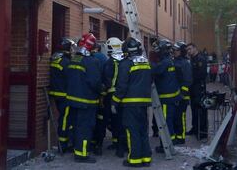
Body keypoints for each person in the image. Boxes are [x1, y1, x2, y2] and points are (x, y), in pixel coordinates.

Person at [112, 37, 152, 167]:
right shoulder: (146, 62)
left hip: (130, 104)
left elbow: (122, 85)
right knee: (142, 130)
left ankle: (134, 159)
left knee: (132, 130)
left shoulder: (125, 63)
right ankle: (146, 158)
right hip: (144, 103)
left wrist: (115, 101)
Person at [65, 33, 103, 163]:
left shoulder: (74, 59)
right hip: (86, 102)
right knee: (85, 128)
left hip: (72, 100)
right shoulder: (92, 61)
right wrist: (102, 89)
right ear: (92, 47)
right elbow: (94, 82)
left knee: (75, 126)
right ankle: (82, 154)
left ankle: (76, 148)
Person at [151, 39, 181, 152]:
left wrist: (147, 63)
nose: (156, 51)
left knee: (165, 123)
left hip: (166, 99)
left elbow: (156, 70)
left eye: (158, 49)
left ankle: (166, 146)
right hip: (171, 98)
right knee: (168, 121)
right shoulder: (169, 60)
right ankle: (169, 143)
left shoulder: (165, 62)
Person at [48, 37, 76, 152]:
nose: (72, 50)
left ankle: (63, 142)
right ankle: (63, 144)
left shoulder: (55, 59)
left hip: (56, 94)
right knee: (65, 119)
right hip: (65, 95)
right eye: (71, 47)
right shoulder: (66, 62)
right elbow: (71, 78)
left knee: (64, 118)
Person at [186, 43, 208, 139]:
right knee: (194, 109)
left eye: (190, 49)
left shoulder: (200, 59)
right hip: (192, 88)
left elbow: (202, 74)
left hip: (199, 88)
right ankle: (195, 129)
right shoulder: (192, 59)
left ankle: (202, 132)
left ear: (195, 48)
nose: (189, 51)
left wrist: (191, 79)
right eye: (187, 50)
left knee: (200, 110)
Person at [172, 41, 193, 145]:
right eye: (174, 50)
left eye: (176, 50)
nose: (174, 51)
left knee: (180, 116)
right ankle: (176, 135)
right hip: (174, 94)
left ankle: (181, 137)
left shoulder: (185, 63)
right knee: (175, 116)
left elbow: (188, 80)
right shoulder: (174, 61)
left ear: (182, 52)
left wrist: (182, 94)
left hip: (182, 96)